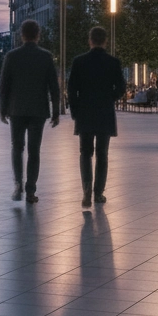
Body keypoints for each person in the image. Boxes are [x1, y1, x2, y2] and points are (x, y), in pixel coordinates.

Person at [0, 19, 61, 204]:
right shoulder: (46, 56)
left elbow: (4, 86)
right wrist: (56, 111)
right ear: (38, 35)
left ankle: (18, 183)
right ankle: (31, 190)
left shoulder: (11, 56)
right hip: (38, 110)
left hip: (16, 109)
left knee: (17, 147)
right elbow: (54, 87)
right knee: (34, 151)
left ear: (22, 35)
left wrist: (3, 109)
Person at [67, 26, 126, 207]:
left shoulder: (79, 61)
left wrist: (75, 111)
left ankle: (86, 189)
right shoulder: (113, 62)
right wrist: (110, 98)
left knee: (85, 153)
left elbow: (72, 90)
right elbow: (121, 88)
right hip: (104, 113)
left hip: (85, 113)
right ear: (105, 41)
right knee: (102, 154)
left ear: (90, 40)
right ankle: (98, 193)